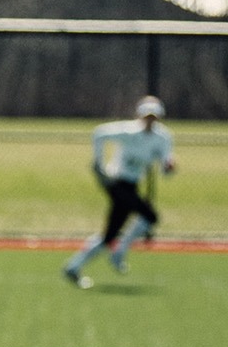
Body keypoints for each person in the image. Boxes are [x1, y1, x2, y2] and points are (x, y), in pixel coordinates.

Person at [63, 96, 176, 288]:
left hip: (132, 185)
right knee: (150, 216)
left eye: (153, 117)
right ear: (140, 116)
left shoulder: (163, 137)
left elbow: (166, 163)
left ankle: (73, 267)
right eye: (147, 116)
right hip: (117, 183)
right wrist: (98, 163)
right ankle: (119, 251)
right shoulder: (128, 131)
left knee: (110, 235)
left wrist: (168, 167)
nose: (150, 121)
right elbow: (99, 133)